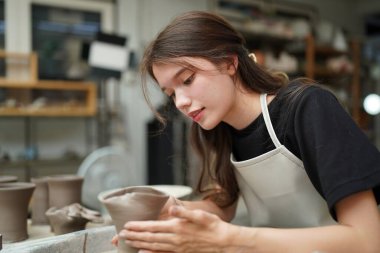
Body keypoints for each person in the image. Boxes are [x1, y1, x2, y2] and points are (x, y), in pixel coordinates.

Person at [116, 11, 380, 252]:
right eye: (171, 93)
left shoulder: (307, 108)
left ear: (230, 63)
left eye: (187, 80)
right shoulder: (217, 128)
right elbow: (221, 206)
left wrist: (229, 239)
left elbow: (366, 240)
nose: (180, 102)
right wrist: (170, 213)